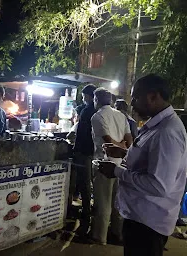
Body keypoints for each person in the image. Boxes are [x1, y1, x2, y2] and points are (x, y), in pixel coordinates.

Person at [99, 74, 187, 256]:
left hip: (148, 224)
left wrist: (116, 171)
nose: (132, 104)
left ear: (153, 96)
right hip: (141, 218)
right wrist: (123, 153)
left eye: (136, 97)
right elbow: (151, 160)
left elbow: (158, 185)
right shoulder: (157, 126)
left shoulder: (166, 132)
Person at [90, 88, 132, 245]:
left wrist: (118, 145)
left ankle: (100, 237)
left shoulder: (98, 116)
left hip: (105, 165)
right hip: (121, 166)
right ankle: (117, 233)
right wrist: (124, 146)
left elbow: (108, 142)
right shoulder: (121, 115)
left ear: (97, 99)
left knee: (103, 203)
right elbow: (129, 140)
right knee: (117, 203)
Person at [74, 84, 97, 236]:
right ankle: (88, 213)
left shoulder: (87, 111)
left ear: (88, 96)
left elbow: (81, 133)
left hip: (84, 151)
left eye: (83, 96)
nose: (83, 99)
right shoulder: (96, 110)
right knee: (88, 184)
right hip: (92, 152)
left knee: (84, 184)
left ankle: (86, 216)